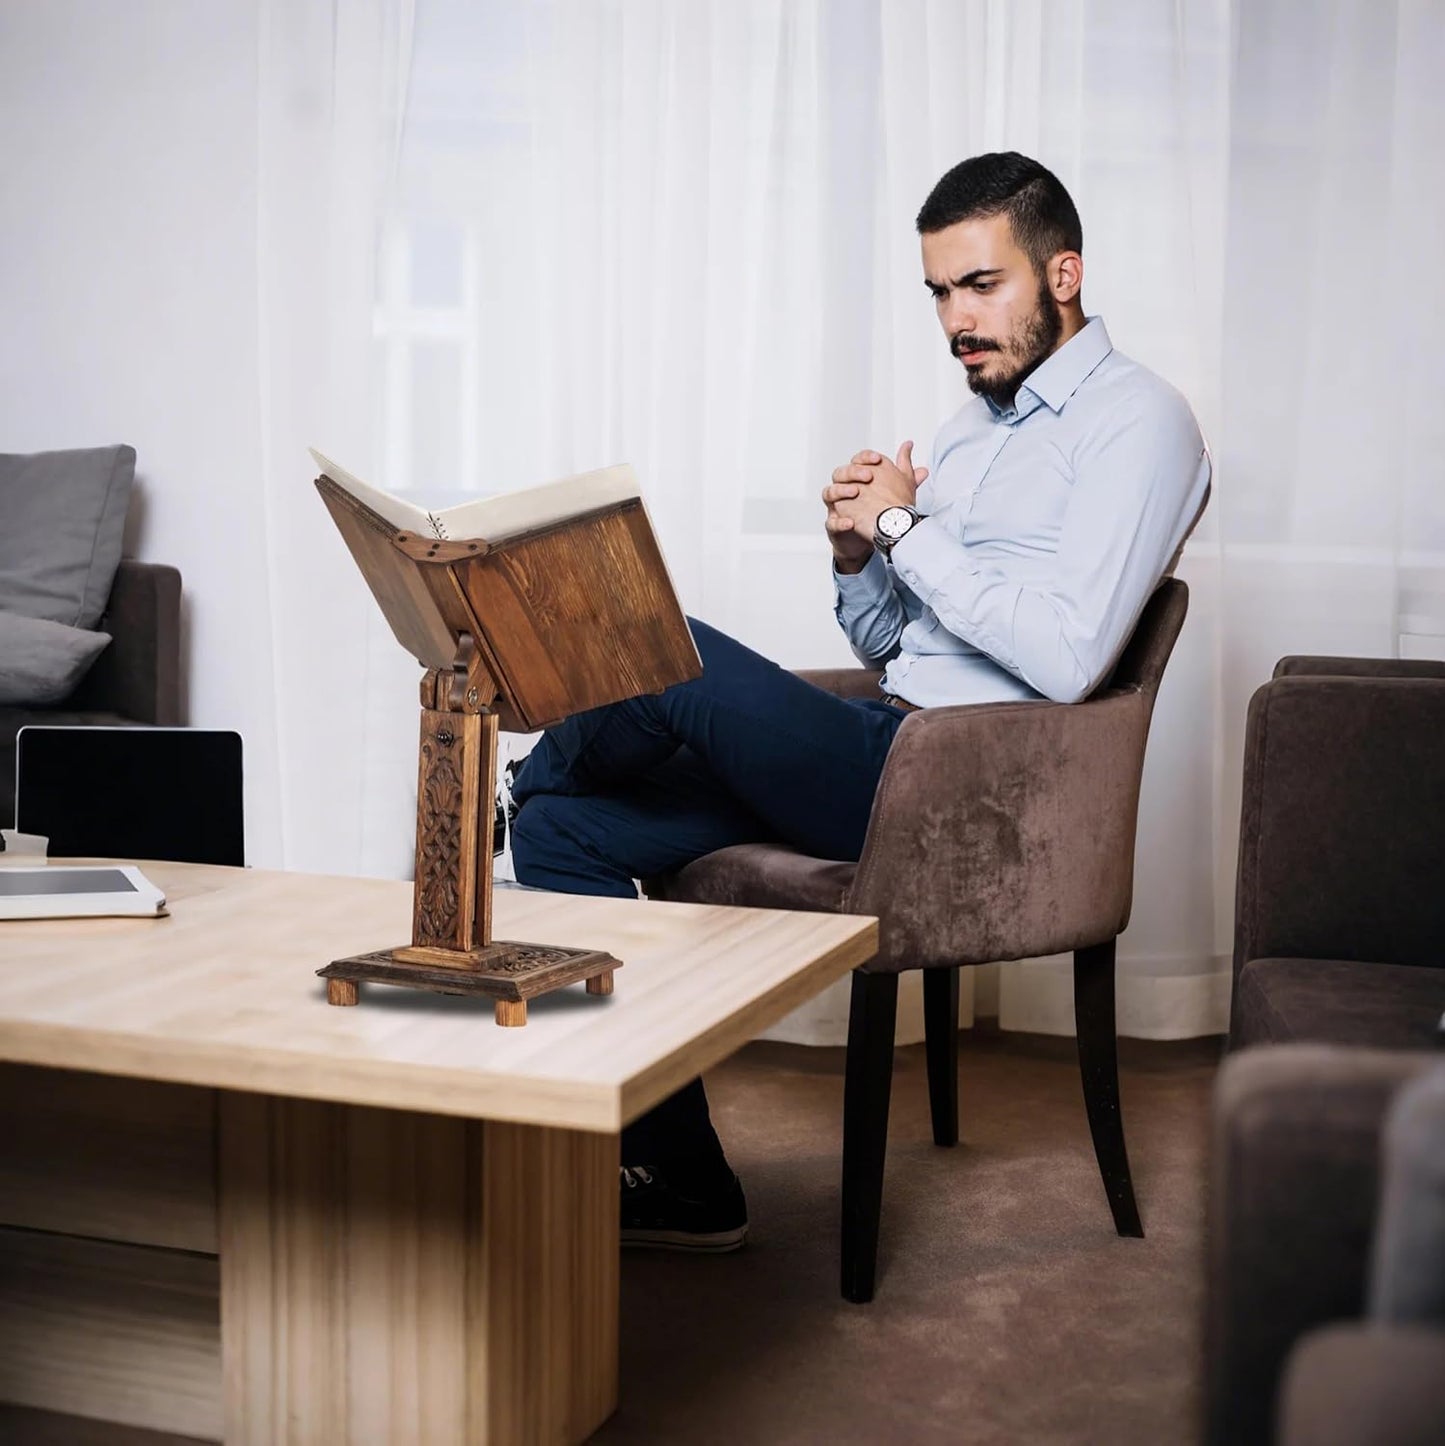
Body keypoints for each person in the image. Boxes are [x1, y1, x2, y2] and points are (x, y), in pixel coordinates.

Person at [508, 151, 1211, 1252]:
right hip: (879, 746)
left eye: (980, 285)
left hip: (963, 794)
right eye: (937, 291)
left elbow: (1071, 658)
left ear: (1062, 273)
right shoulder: (973, 425)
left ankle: (503, 766)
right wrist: (855, 557)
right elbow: (895, 644)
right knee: (559, 832)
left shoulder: (1140, 423)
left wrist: (902, 529)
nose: (954, 320)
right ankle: (687, 1180)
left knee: (670, 653)